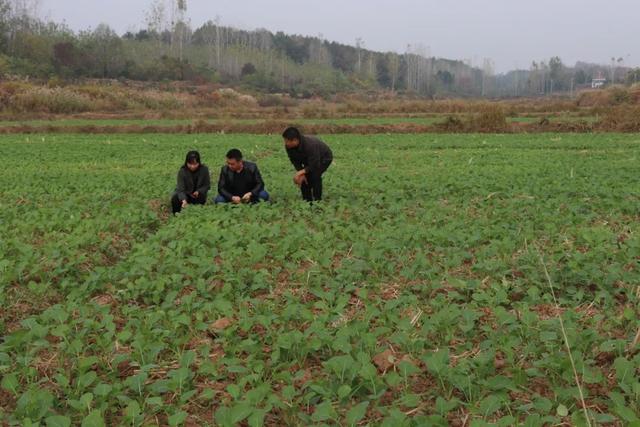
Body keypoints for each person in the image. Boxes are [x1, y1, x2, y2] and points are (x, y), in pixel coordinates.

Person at [283, 127, 333, 202]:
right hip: (309, 159)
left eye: (287, 141)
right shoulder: (289, 147)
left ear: (295, 140)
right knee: (303, 177)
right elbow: (294, 160)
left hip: (324, 158)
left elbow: (314, 165)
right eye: (285, 140)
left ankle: (317, 200)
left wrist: (300, 172)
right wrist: (300, 172)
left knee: (315, 175)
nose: (285, 143)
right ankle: (307, 200)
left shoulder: (310, 145)